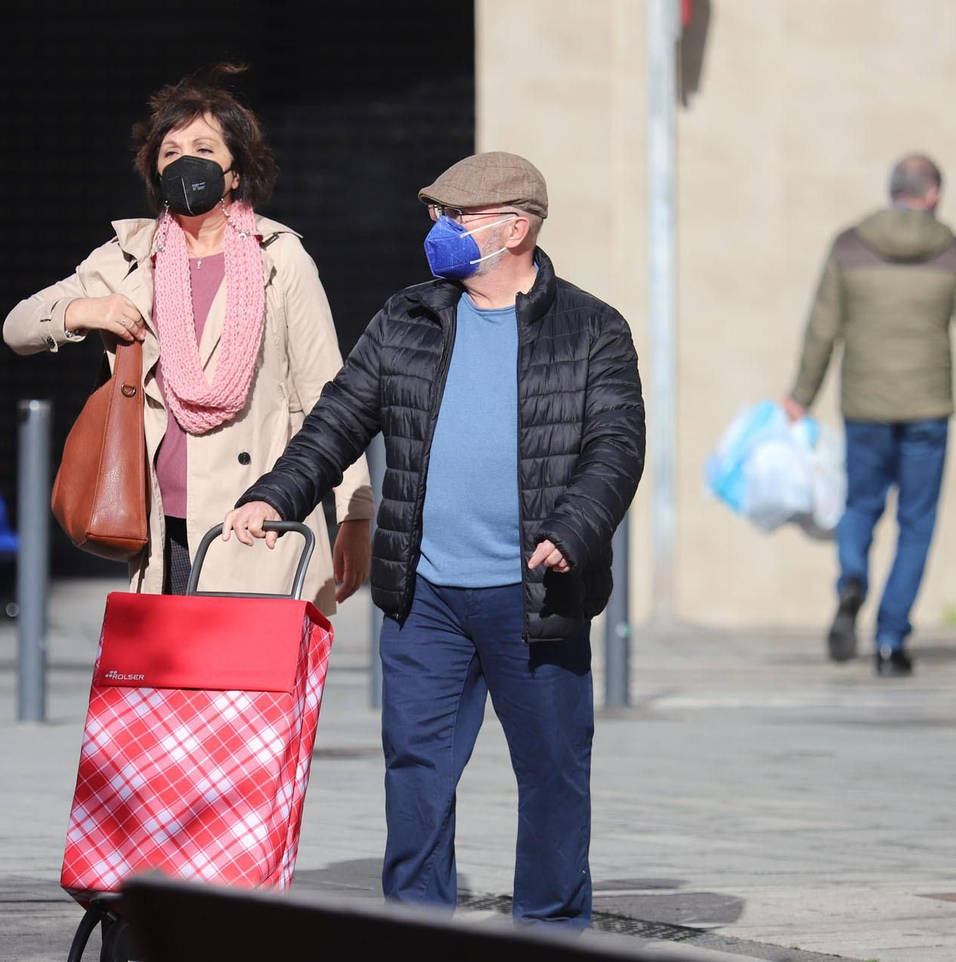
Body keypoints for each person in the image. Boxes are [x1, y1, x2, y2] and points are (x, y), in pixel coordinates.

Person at [224, 152, 646, 930]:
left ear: (516, 227)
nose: (439, 229)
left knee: (553, 772)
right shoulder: (407, 317)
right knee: (417, 773)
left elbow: (616, 449)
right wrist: (273, 494)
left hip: (536, 596)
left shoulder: (592, 329)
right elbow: (337, 419)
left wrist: (571, 531)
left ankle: (551, 931)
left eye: (458, 217)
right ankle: (416, 931)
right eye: (436, 215)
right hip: (428, 598)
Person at [2, 64, 372, 608]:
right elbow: (17, 327)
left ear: (235, 172)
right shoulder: (130, 256)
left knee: (246, 688)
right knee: (176, 690)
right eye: (171, 152)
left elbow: (329, 393)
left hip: (260, 517)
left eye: (203, 147)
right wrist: (85, 309)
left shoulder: (281, 257)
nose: (186, 162)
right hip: (161, 519)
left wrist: (356, 515)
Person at [784, 154, 956, 677]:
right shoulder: (953, 250)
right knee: (916, 523)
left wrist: (801, 397)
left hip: (865, 408)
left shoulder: (849, 244)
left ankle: (852, 579)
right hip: (928, 410)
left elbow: (821, 327)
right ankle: (889, 641)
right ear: (932, 195)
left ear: (892, 190)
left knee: (860, 506)